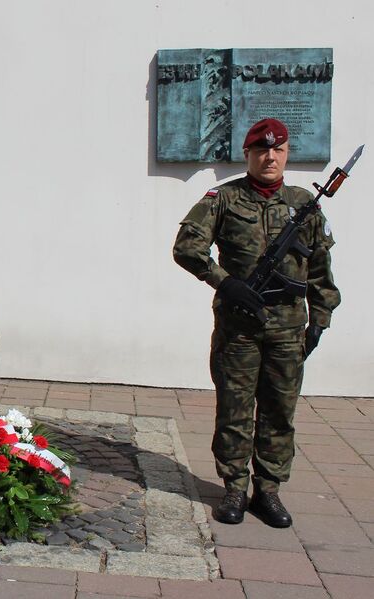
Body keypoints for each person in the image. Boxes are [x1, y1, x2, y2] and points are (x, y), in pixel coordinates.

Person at [172, 118, 340, 528]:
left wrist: (320, 317)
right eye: (261, 150)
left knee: (280, 410)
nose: (270, 157)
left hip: (287, 329)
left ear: (286, 154)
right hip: (239, 328)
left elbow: (320, 267)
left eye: (278, 150)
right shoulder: (223, 199)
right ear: (248, 154)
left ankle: (269, 491)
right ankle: (233, 488)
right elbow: (187, 247)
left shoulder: (305, 205)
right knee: (234, 408)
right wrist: (226, 283)